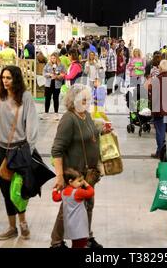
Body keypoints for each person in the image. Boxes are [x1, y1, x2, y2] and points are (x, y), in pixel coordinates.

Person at [50, 84, 112, 248]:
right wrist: (60, 176)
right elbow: (57, 149)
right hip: (74, 175)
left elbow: (90, 134)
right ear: (73, 100)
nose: (87, 103)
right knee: (67, 209)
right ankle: (56, 242)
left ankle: (85, 238)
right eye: (84, 100)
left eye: (88, 99)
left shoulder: (86, 116)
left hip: (89, 174)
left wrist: (102, 131)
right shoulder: (68, 119)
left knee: (88, 205)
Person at [0, 66, 39, 240]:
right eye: (3, 77)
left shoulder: (25, 97)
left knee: (18, 190)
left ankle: (23, 222)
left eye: (9, 78)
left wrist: (29, 149)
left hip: (18, 150)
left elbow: (32, 124)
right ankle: (12, 227)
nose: (5, 81)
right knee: (5, 191)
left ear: (16, 79)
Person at [52, 168, 95, 248]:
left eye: (82, 180)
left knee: (76, 243)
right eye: (79, 181)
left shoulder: (64, 192)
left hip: (70, 225)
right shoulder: (78, 192)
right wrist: (87, 184)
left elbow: (55, 198)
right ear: (70, 181)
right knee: (80, 244)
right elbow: (91, 193)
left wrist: (55, 189)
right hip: (79, 225)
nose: (81, 183)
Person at [149, 60, 167, 159]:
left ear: (160, 69)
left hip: (159, 111)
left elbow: (152, 96)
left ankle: (160, 153)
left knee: (160, 133)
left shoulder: (156, 80)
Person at [43, 53, 65, 121]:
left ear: (57, 58)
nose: (53, 59)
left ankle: (56, 113)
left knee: (56, 99)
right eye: (52, 58)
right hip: (48, 84)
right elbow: (44, 73)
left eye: (54, 58)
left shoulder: (61, 65)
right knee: (47, 99)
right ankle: (46, 113)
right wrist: (49, 74)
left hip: (57, 84)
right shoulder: (48, 64)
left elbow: (64, 74)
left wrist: (58, 76)